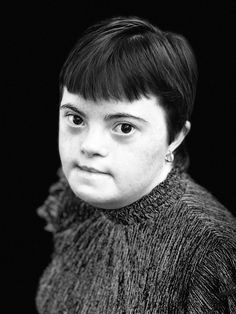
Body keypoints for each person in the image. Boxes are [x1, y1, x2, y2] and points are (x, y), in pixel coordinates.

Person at [36, 16, 236, 313]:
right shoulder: (75, 206)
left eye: (124, 127)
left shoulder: (209, 249)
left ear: (176, 136)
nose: (89, 146)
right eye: (76, 119)